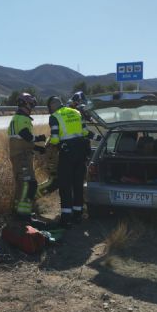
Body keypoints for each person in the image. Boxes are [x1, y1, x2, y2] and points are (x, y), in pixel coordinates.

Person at [38, 91, 101, 198]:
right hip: (57, 152)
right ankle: (34, 197)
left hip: (63, 151)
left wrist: (99, 138)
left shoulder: (71, 111)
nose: (84, 109)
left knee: (66, 181)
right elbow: (83, 133)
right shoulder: (73, 112)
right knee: (57, 180)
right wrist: (99, 138)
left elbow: (84, 133)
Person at [47, 95, 96, 226]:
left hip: (67, 153)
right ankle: (78, 214)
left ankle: (66, 217)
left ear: (52, 106)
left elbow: (55, 139)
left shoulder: (54, 117)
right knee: (78, 184)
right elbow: (85, 132)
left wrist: (50, 144)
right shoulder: (76, 112)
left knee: (65, 185)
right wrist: (98, 138)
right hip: (82, 152)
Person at [7, 93, 46, 220]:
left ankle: (18, 211)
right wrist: (39, 138)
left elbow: (21, 140)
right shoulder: (22, 119)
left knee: (22, 184)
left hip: (20, 155)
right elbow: (26, 136)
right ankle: (23, 214)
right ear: (25, 104)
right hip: (21, 157)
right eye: (31, 104)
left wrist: (37, 148)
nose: (32, 107)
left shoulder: (16, 118)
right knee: (28, 184)